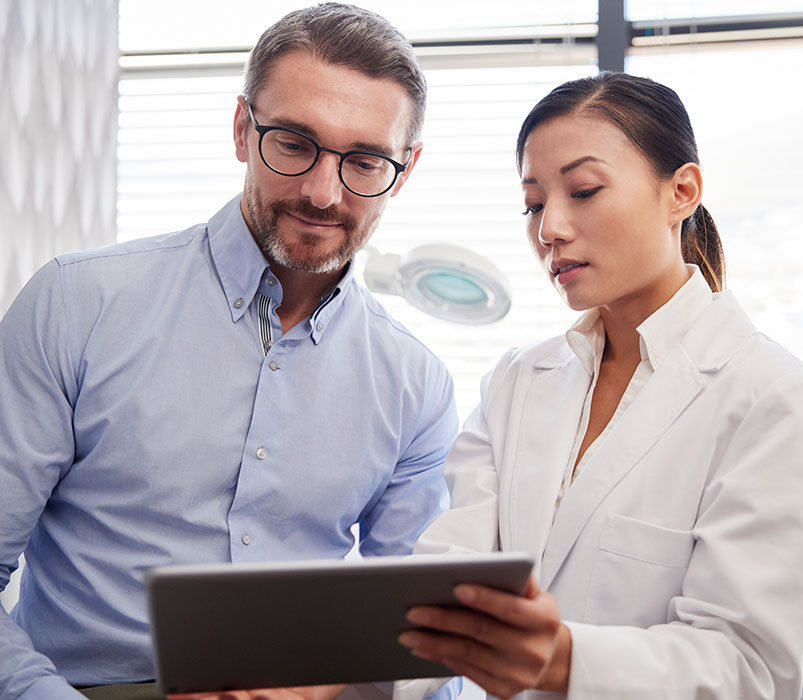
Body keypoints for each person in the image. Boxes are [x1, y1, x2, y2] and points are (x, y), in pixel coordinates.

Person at [0, 5, 460, 700]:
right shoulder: (76, 303)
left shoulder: (416, 384)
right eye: (295, 143)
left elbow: (428, 644)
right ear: (244, 129)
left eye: (364, 160)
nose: (322, 192)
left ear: (405, 168)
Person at [395, 72, 803, 699]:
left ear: (681, 191)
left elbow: (748, 669)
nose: (548, 227)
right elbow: (444, 587)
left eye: (583, 190)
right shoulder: (516, 382)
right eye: (533, 203)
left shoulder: (774, 401)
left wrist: (563, 661)